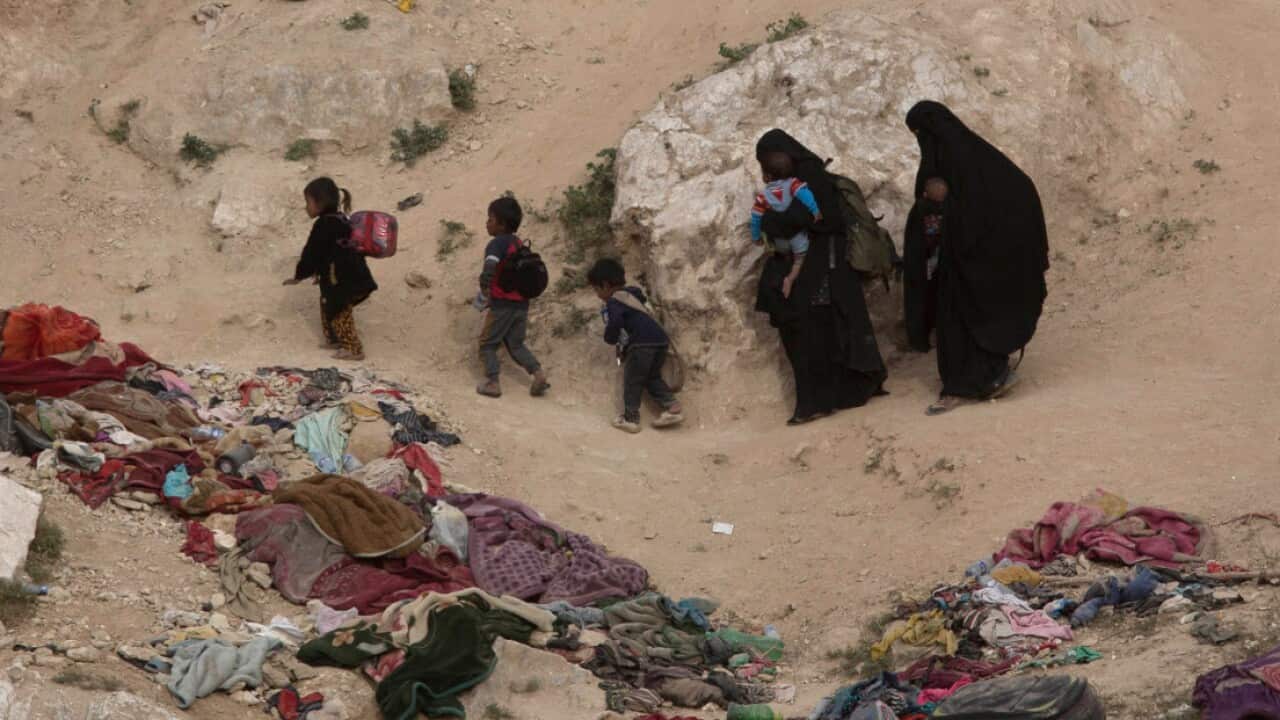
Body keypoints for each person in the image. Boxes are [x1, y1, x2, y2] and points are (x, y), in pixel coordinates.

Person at [904, 101, 1049, 416]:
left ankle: (966, 386)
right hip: (970, 261)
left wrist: (952, 220)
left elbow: (977, 208)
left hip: (976, 260)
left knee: (964, 318)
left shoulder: (961, 162)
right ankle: (979, 379)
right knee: (965, 319)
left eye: (919, 134)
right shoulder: (976, 158)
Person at [752, 129, 887, 425]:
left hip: (823, 271)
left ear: (785, 153)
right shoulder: (787, 183)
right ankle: (820, 399)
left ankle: (818, 402)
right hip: (810, 269)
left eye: (770, 159)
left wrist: (773, 220)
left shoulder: (810, 177)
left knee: (816, 333)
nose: (767, 168)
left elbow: (808, 219)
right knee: (812, 333)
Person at [283, 177, 377, 361]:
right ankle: (334, 339)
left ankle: (353, 349)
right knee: (328, 305)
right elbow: (330, 252)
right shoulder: (341, 219)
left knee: (338, 309)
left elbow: (312, 252)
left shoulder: (324, 224)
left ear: (320, 203)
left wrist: (300, 274)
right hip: (352, 277)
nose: (306, 207)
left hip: (342, 281)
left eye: (308, 202)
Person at [586, 258, 684, 434]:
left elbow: (615, 322)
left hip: (641, 344)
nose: (597, 294)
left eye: (596, 289)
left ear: (606, 285)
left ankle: (631, 418)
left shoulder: (614, 301)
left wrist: (610, 337)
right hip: (660, 341)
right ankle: (672, 407)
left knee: (633, 380)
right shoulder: (634, 295)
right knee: (651, 377)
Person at [474, 196, 550, 399]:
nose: (487, 223)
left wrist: (485, 289)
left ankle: (492, 382)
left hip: (502, 305)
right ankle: (538, 374)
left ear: (501, 224)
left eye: (490, 219)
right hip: (522, 305)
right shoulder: (519, 244)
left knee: (488, 344)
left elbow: (490, 267)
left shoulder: (496, 244)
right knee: (516, 344)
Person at [750, 151, 821, 299]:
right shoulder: (793, 185)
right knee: (800, 260)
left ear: (767, 176)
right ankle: (790, 279)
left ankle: (785, 260)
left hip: (780, 241)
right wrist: (815, 210)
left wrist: (756, 236)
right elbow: (806, 195)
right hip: (798, 237)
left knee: (782, 252)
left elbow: (756, 218)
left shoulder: (762, 197)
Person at [903, 177, 949, 352]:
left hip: (920, 265)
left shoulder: (919, 209)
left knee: (919, 302)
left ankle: (920, 341)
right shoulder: (945, 210)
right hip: (936, 264)